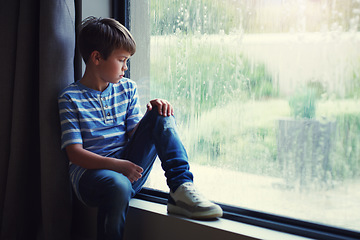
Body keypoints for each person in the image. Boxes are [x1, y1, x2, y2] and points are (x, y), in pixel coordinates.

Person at [58, 16, 222, 240]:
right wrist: (117, 165)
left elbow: (134, 135)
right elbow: (74, 154)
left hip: (127, 166)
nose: (126, 67)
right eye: (122, 60)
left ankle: (181, 188)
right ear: (97, 57)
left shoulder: (127, 88)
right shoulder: (70, 98)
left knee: (159, 112)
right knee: (118, 184)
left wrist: (151, 118)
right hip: (91, 177)